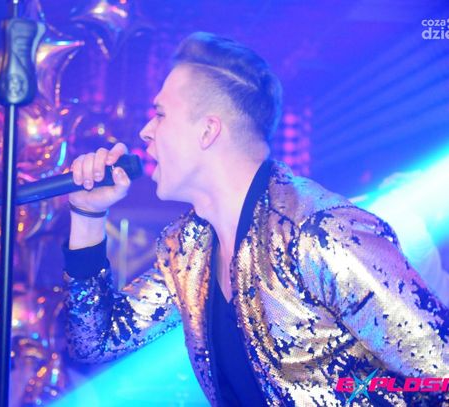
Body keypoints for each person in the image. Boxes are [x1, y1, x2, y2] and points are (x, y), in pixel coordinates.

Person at [62, 32, 449, 406]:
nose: (146, 131)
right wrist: (87, 214)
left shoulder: (321, 234)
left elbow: (440, 375)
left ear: (208, 131)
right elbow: (95, 341)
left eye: (160, 114)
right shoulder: (186, 249)